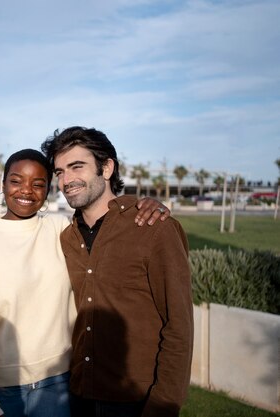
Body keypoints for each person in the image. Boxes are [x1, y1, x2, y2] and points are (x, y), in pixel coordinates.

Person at [0, 149, 170, 417]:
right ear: (3, 183)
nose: (26, 191)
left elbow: (104, 218)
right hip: (3, 391)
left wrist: (143, 204)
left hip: (60, 386)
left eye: (38, 184)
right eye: (16, 180)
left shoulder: (61, 229)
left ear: (48, 190)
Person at [41, 126, 193, 417]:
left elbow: (179, 327)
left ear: (107, 167)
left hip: (135, 401)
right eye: (59, 172)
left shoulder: (153, 228)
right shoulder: (66, 236)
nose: (66, 180)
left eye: (76, 167)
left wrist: (163, 405)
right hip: (79, 395)